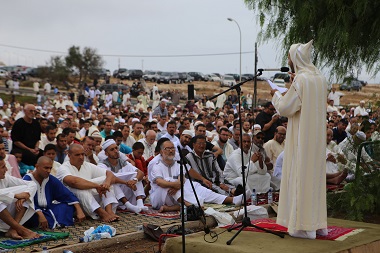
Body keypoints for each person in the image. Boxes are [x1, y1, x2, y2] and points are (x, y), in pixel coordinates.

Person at [270, 40, 328, 239]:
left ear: (296, 59)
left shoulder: (301, 80)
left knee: (300, 177)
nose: (289, 61)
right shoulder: (320, 78)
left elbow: (286, 108)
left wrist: (276, 95)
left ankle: (303, 227)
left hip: (302, 138)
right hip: (317, 139)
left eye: (290, 58)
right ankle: (318, 224)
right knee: (314, 179)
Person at [148, 139, 247, 212]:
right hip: (160, 195)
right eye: (167, 148)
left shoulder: (176, 160)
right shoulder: (155, 164)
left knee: (196, 186)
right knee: (169, 181)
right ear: (161, 151)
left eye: (172, 148)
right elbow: (159, 182)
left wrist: (200, 180)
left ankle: (234, 199)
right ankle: (189, 205)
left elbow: (184, 174)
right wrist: (175, 185)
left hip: (177, 192)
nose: (171, 150)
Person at [56, 144, 121, 222]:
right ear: (69, 156)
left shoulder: (87, 165)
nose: (81, 157)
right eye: (77, 155)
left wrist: (106, 184)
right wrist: (97, 186)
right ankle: (102, 214)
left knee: (106, 182)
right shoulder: (63, 168)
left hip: (89, 205)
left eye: (82, 154)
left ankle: (109, 211)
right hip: (73, 204)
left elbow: (109, 173)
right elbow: (74, 182)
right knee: (80, 189)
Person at [23, 156, 86, 229]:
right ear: (37, 166)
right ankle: (56, 221)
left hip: (48, 209)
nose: (49, 171)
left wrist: (79, 210)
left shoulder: (50, 179)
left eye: (50, 168)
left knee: (68, 206)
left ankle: (52, 221)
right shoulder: (27, 179)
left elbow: (67, 194)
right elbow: (27, 201)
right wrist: (40, 214)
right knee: (31, 216)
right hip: (33, 212)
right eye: (46, 168)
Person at [98, 139, 147, 213]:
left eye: (116, 148)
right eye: (112, 149)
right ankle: (128, 205)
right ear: (106, 153)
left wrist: (134, 180)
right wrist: (127, 182)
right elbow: (111, 179)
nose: (116, 151)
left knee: (135, 176)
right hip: (114, 196)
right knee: (112, 182)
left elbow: (140, 173)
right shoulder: (102, 165)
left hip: (127, 190)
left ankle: (140, 203)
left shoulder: (124, 162)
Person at [0, 157, 39, 239]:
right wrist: (16, 195)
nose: (6, 169)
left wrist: (24, 196)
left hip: (5, 222)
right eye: (3, 167)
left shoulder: (5, 178)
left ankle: (13, 229)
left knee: (27, 193)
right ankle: (21, 229)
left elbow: (32, 184)